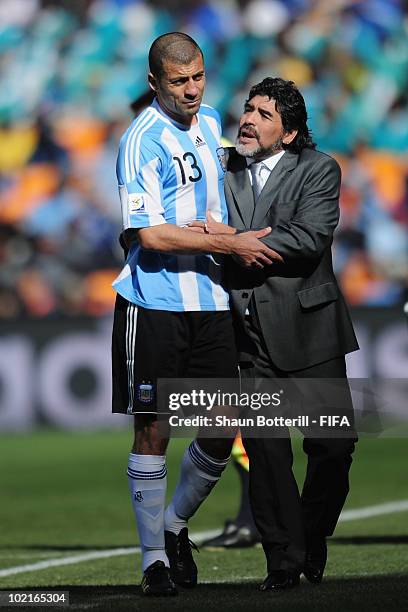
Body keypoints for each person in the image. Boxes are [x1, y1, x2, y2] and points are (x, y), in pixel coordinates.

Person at [111, 33, 280, 597]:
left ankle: (175, 523)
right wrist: (230, 245)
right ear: (154, 83)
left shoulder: (211, 123)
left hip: (211, 299)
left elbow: (220, 201)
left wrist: (231, 234)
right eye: (179, 81)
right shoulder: (140, 141)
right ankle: (154, 560)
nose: (191, 90)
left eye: (198, 77)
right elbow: (150, 232)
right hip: (154, 302)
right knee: (154, 429)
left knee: (219, 426)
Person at [202, 77, 359, 591]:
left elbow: (309, 237)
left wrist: (232, 241)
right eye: (248, 109)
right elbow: (197, 225)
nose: (248, 119)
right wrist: (230, 240)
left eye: (264, 114)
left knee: (332, 450)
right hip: (248, 333)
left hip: (310, 329)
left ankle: (312, 537)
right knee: (267, 455)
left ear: (289, 133)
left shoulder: (318, 168)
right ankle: (283, 562)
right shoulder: (222, 167)